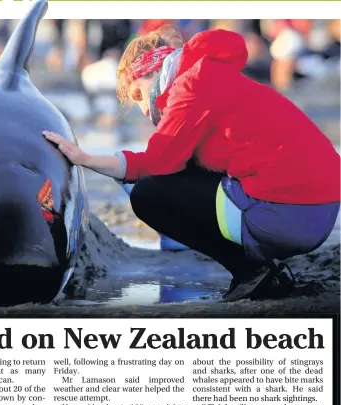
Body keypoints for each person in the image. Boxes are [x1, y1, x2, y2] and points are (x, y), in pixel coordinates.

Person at [42, 25, 340, 302]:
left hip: (288, 215)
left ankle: (253, 273)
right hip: (321, 210)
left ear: (154, 70)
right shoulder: (209, 74)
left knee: (148, 195)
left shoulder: (191, 85)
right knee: (175, 176)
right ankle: (263, 268)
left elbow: (156, 165)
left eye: (139, 94)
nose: (145, 109)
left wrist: (85, 159)